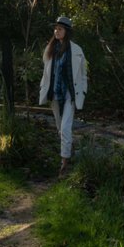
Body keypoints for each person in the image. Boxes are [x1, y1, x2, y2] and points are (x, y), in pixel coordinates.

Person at [39, 16, 87, 174]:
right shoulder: (50, 49)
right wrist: (43, 89)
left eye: (60, 29)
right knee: (60, 128)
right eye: (55, 28)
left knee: (65, 128)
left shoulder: (77, 50)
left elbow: (83, 74)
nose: (56, 31)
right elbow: (46, 74)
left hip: (70, 94)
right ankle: (69, 148)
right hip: (54, 93)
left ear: (67, 31)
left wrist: (83, 91)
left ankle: (64, 163)